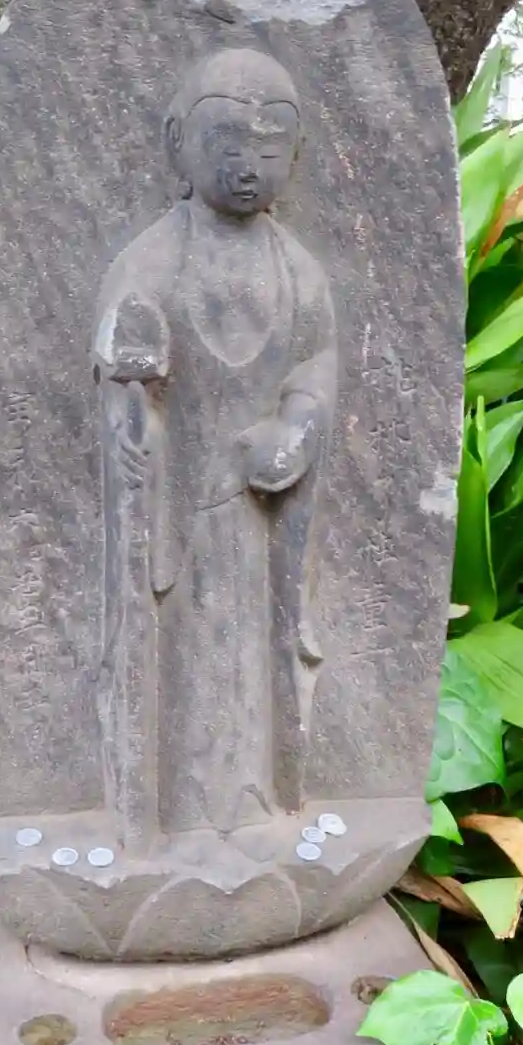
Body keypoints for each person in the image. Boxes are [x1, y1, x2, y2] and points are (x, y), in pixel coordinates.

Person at [93, 47, 337, 851]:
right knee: (188, 657)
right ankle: (185, 812)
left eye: (270, 147)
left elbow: (315, 367)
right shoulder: (151, 261)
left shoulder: (299, 273)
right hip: (178, 509)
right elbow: (124, 367)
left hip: (258, 517)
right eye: (227, 142)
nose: (248, 166)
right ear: (177, 143)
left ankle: (254, 803)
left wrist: (297, 429)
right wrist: (136, 412)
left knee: (253, 660)